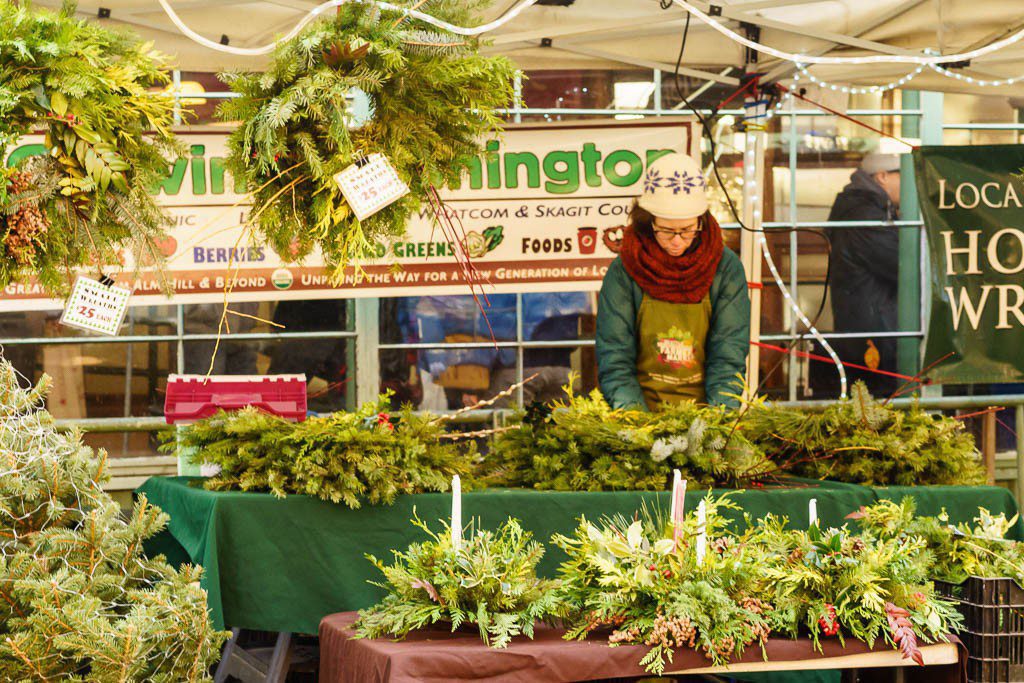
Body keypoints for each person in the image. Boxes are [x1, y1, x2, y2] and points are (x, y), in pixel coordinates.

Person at [596, 152, 750, 410]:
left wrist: (718, 421)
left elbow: (728, 354)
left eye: (687, 230)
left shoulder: (725, 268)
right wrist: (635, 423)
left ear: (701, 220)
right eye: (666, 231)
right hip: (640, 410)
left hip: (706, 412)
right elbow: (615, 357)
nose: (677, 241)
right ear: (648, 222)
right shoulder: (625, 270)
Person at [825, 152, 902, 397]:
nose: (909, 185)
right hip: (874, 329)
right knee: (879, 400)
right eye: (903, 176)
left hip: (868, 323)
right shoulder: (865, 216)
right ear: (882, 177)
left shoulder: (861, 210)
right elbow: (901, 263)